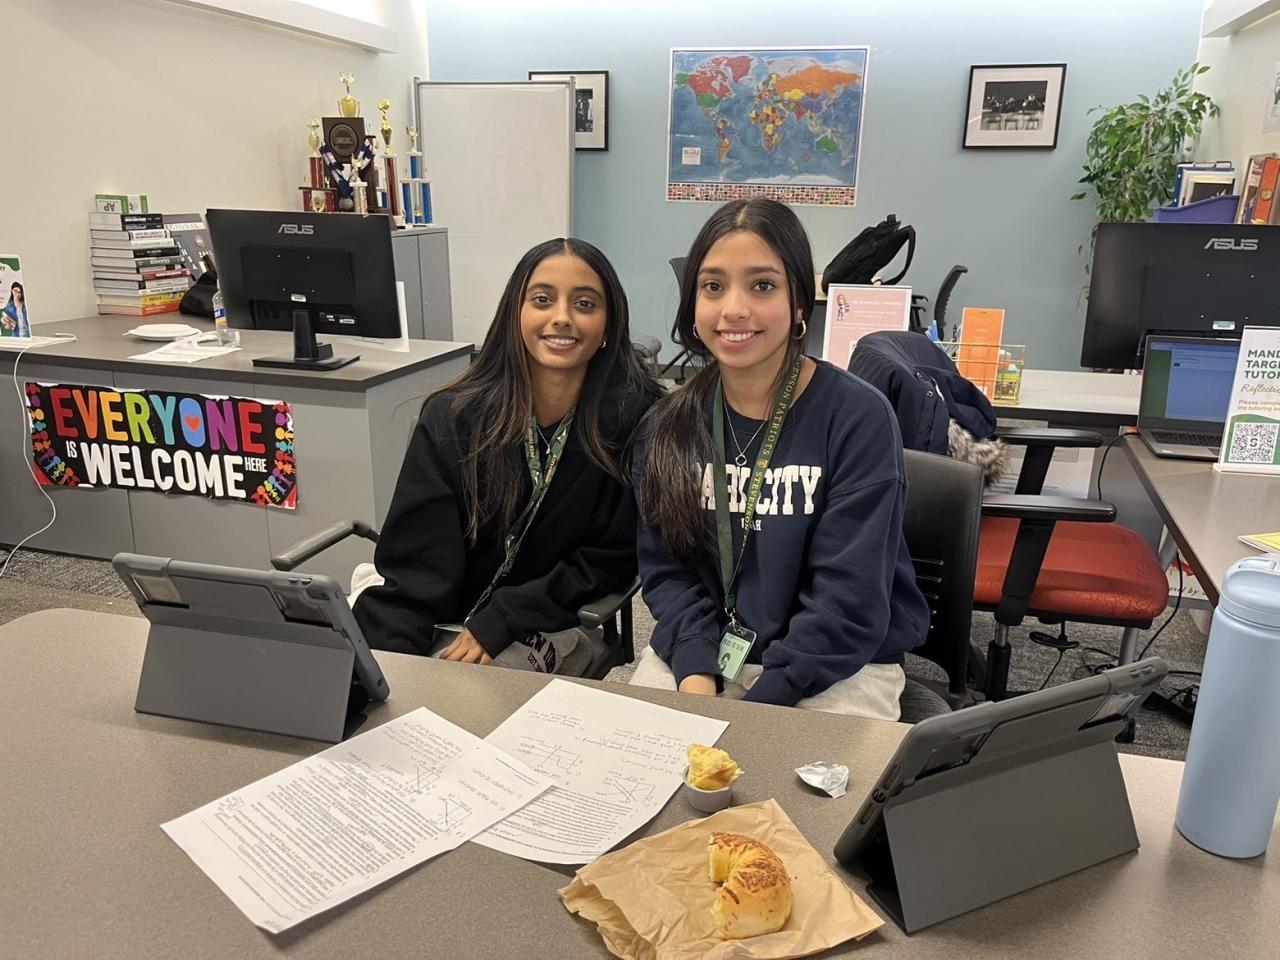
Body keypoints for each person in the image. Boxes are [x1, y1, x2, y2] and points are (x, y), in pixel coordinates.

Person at [630, 198, 928, 718]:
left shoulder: (857, 417)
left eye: (762, 286)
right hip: (703, 654)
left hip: (835, 665)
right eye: (713, 286)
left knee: (787, 771)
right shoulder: (666, 426)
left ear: (798, 305)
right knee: (640, 761)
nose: (734, 309)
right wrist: (697, 675)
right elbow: (668, 574)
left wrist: (760, 709)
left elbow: (849, 600)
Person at [354, 238, 662, 674]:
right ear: (515, 313)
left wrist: (506, 616)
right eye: (542, 300)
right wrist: (393, 653)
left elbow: (611, 559)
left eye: (585, 304)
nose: (562, 317)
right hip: (442, 605)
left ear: (609, 323)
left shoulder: (634, 423)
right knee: (366, 678)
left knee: (468, 696)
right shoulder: (455, 415)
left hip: (542, 617)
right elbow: (418, 555)